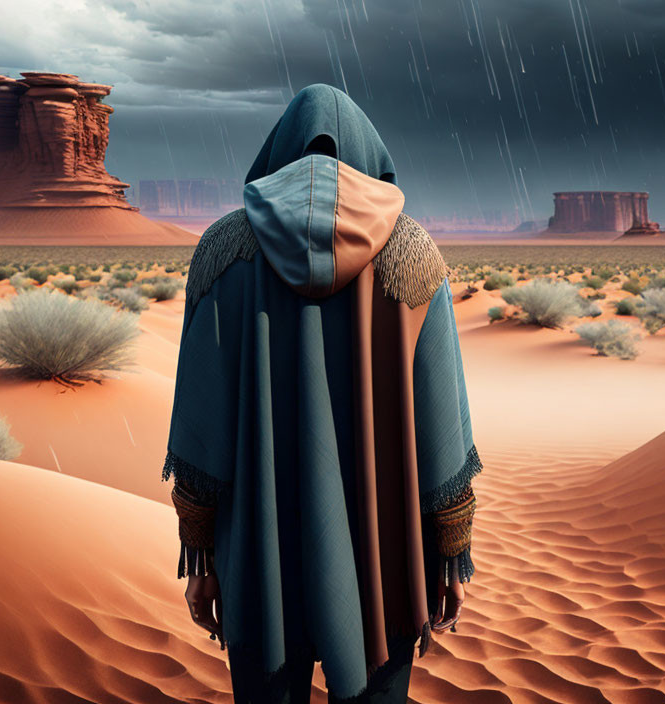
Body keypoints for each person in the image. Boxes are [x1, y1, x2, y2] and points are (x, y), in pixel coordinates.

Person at [162, 83, 482, 703]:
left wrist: (200, 561)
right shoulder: (412, 253)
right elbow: (442, 424)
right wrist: (449, 557)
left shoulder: (223, 250)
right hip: (382, 560)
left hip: (259, 552)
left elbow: (201, 431)